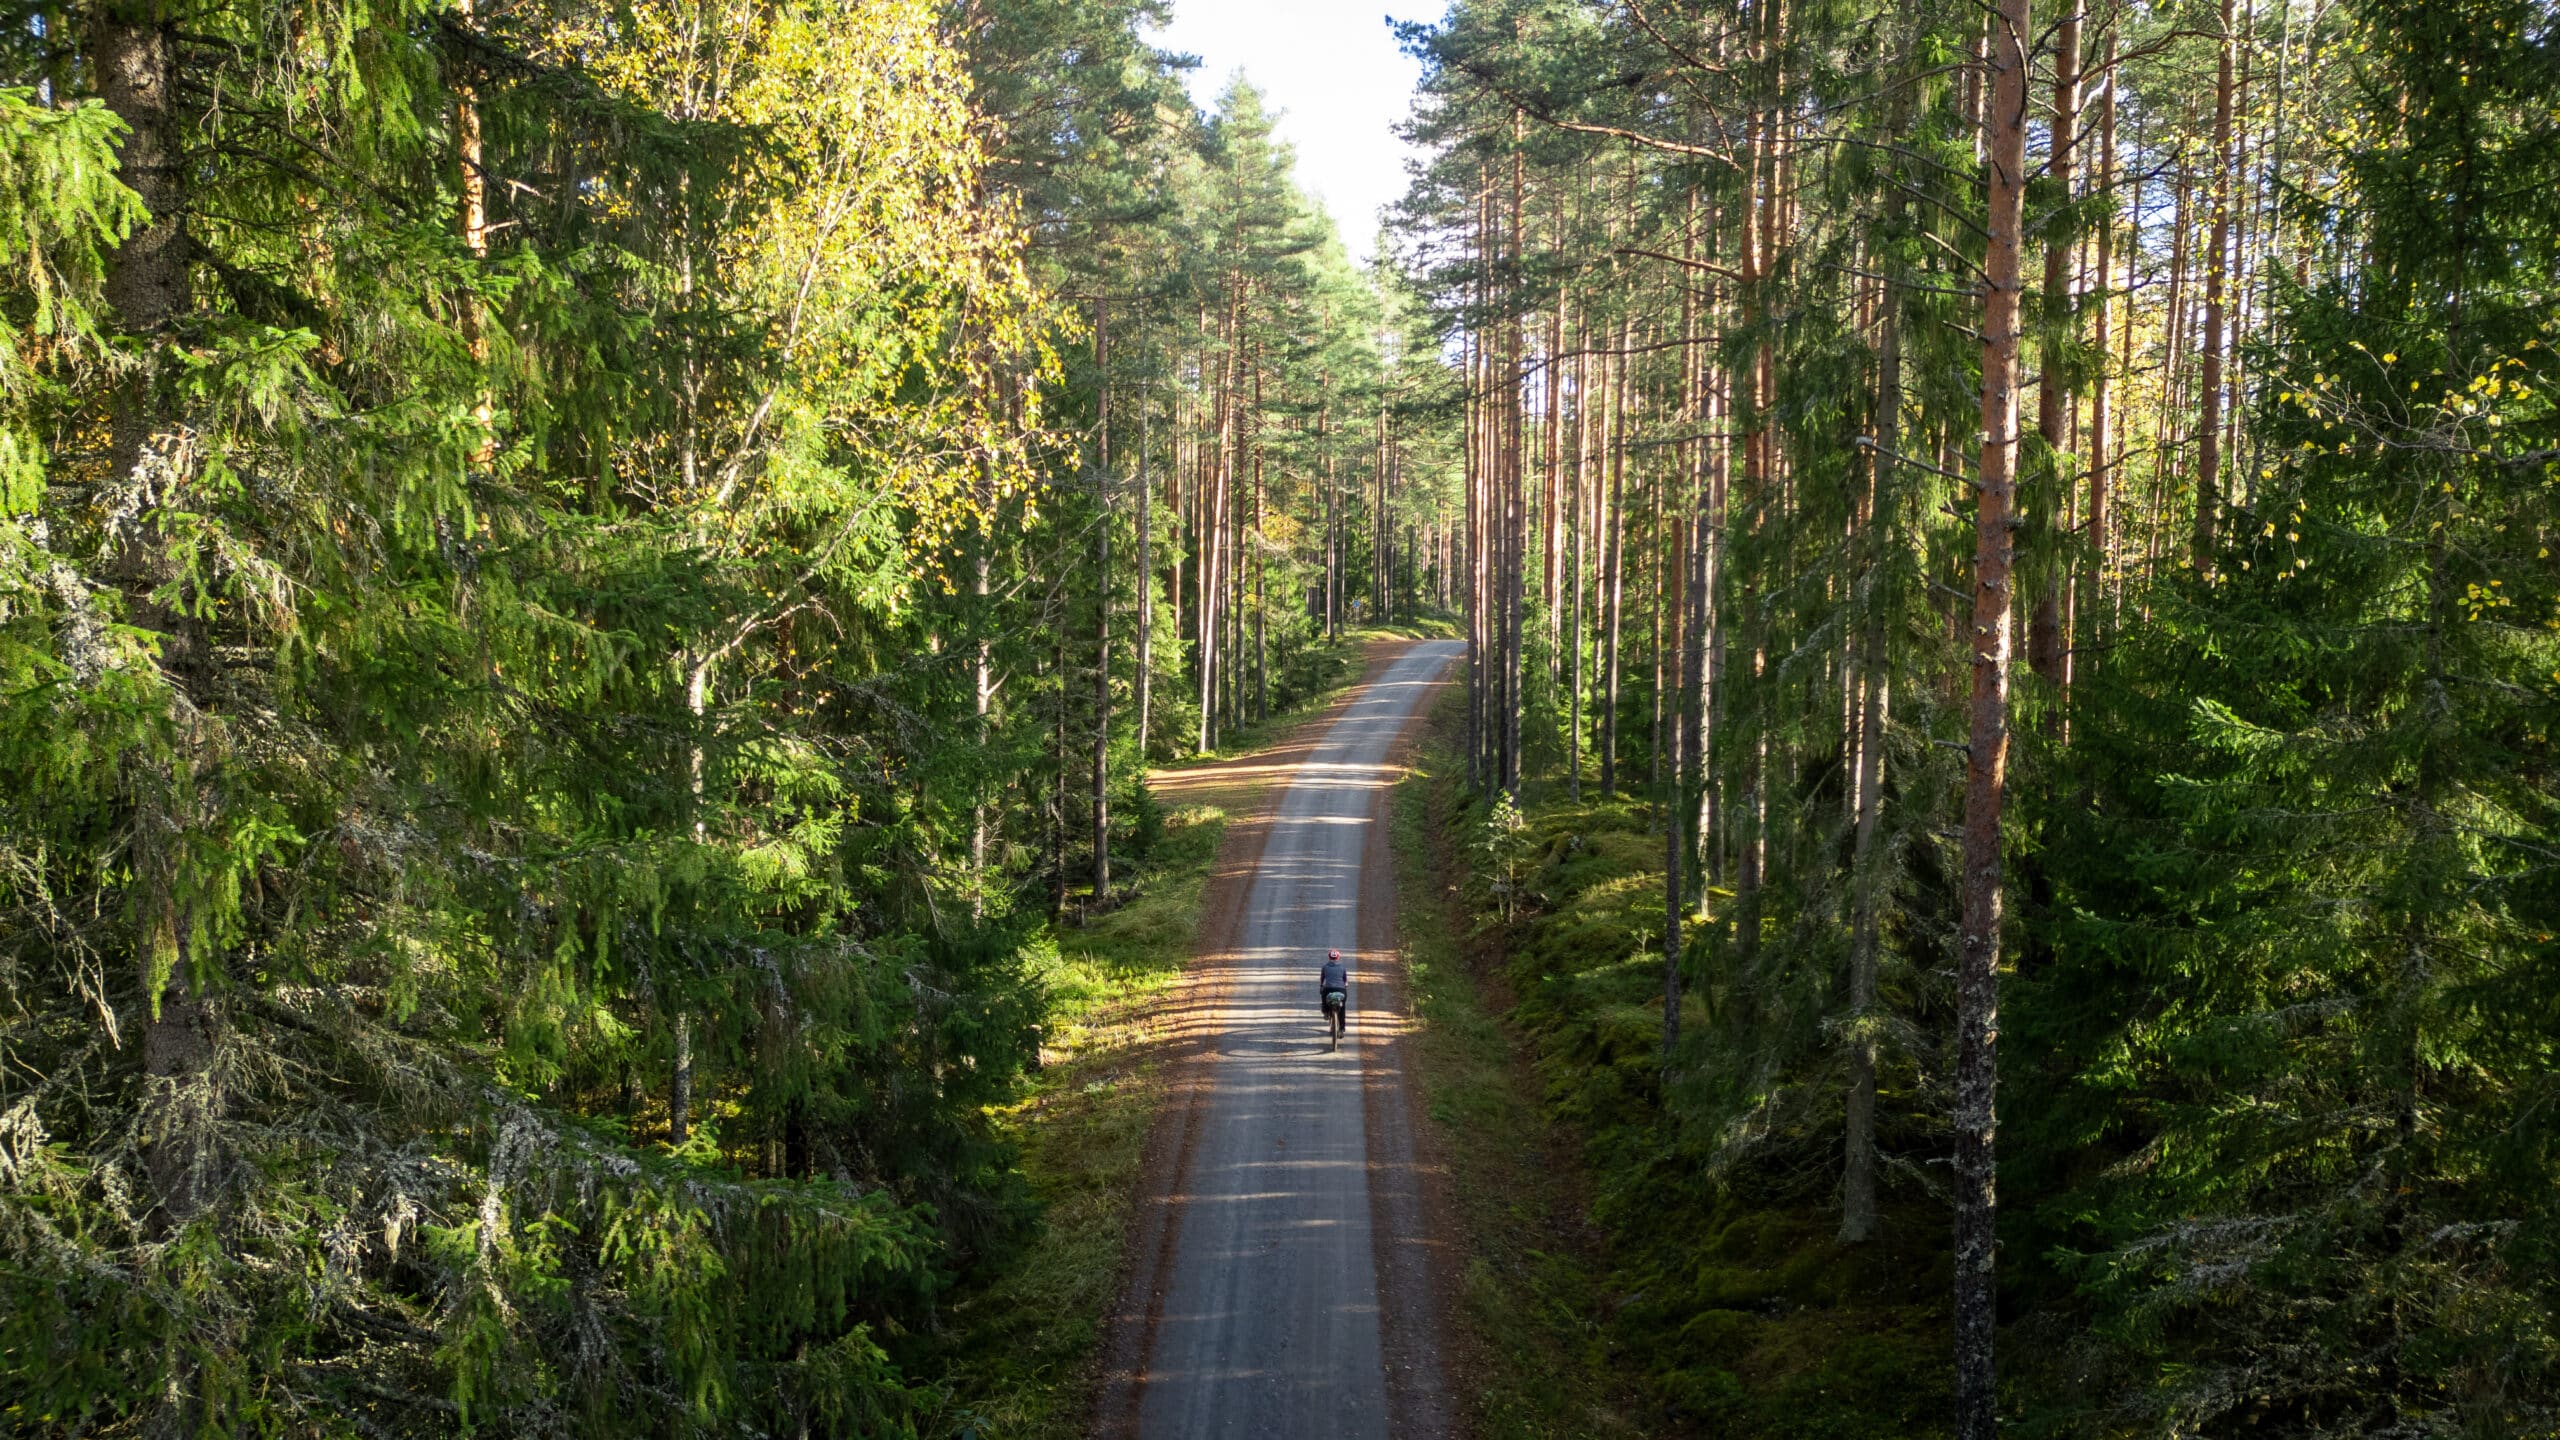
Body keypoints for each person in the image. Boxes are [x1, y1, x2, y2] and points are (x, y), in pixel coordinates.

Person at [1319, 949, 1350, 1045]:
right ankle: (1341, 1028)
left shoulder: (1325, 967)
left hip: (1328, 989)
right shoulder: (1343, 967)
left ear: (1329, 957)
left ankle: (1326, 1011)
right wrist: (1345, 985)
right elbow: (1345, 981)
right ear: (1338, 957)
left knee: (1324, 995)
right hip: (1341, 990)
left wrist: (1321, 986)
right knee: (1342, 1008)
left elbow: (1322, 980)